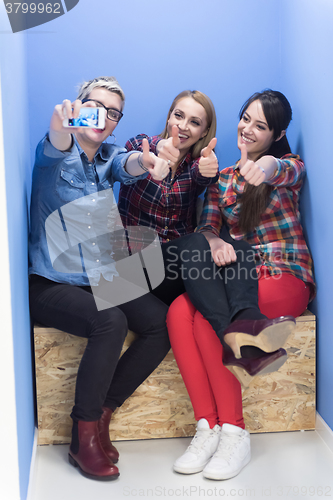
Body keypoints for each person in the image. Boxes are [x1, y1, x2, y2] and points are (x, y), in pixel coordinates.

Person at [28, 76, 172, 481]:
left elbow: (128, 164)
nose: (103, 117)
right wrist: (61, 124)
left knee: (161, 323)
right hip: (51, 282)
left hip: (98, 277)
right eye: (94, 107)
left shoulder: (107, 157)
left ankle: (103, 413)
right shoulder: (55, 154)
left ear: (115, 123)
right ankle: (82, 435)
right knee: (111, 321)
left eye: (113, 113)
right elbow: (57, 139)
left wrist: (147, 162)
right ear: (78, 107)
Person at [166, 90, 315, 480]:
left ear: (276, 134)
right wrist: (213, 239)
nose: (247, 129)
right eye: (245, 118)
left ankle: (235, 431)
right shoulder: (224, 179)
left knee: (204, 322)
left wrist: (264, 167)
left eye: (260, 126)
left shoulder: (286, 166)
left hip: (284, 274)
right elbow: (207, 226)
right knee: (180, 311)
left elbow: (284, 171)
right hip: (240, 276)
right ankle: (207, 427)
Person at [118, 90, 219, 305]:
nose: (183, 126)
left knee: (227, 255)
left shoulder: (194, 168)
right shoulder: (143, 148)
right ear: (169, 117)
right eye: (179, 116)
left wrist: (209, 169)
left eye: (194, 122)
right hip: (134, 267)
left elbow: (203, 176)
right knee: (196, 242)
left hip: (173, 272)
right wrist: (159, 147)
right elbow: (132, 149)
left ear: (203, 132)